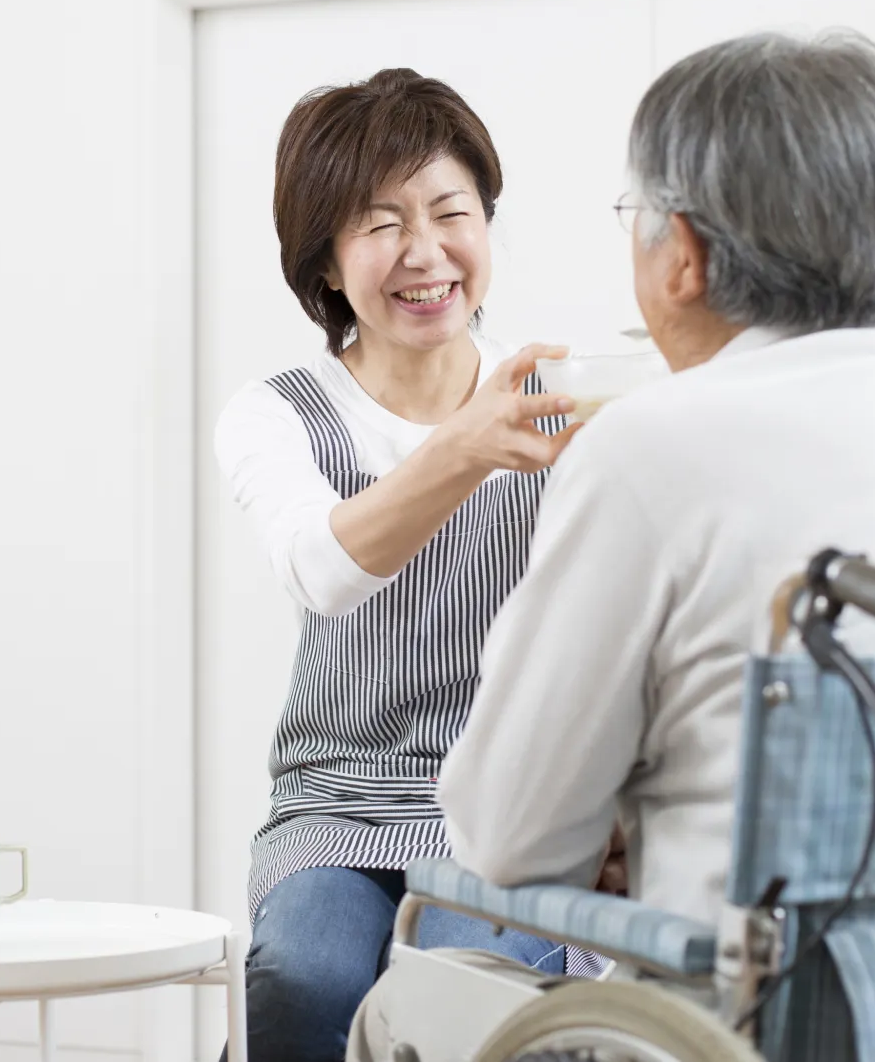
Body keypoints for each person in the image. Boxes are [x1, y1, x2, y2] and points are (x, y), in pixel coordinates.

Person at [348, 30, 875, 1054]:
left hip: (745, 1020)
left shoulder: (650, 445)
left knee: (402, 999)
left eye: (635, 218)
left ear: (685, 256)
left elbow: (509, 839)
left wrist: (627, 828)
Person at [215, 68, 591, 1061]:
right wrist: (466, 444)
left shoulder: (565, 405)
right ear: (327, 264)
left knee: (455, 997)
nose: (423, 253)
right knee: (301, 980)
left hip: (507, 811)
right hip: (333, 800)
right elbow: (320, 567)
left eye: (448, 212)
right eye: (380, 224)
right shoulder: (277, 413)